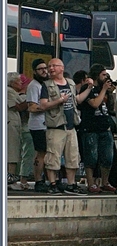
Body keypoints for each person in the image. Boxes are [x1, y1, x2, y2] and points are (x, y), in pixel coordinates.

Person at [39, 58, 86, 194]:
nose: (51, 68)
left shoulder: (70, 83)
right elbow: (43, 105)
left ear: (62, 68)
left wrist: (88, 88)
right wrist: (60, 100)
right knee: (53, 157)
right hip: (56, 126)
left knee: (73, 157)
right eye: (49, 66)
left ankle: (71, 184)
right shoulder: (47, 85)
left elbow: (76, 100)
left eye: (54, 66)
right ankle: (53, 183)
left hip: (71, 127)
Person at [78, 65, 117, 193]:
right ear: (96, 75)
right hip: (90, 128)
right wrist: (104, 90)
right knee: (91, 157)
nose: (106, 77)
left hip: (105, 127)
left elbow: (110, 108)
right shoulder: (88, 88)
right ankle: (91, 183)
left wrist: (109, 92)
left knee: (108, 157)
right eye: (103, 75)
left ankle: (105, 181)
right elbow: (94, 103)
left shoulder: (103, 89)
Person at [24, 60, 51, 192]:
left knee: (47, 153)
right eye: (40, 69)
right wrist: (48, 106)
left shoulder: (46, 84)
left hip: (47, 124)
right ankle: (38, 179)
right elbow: (32, 107)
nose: (44, 71)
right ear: (35, 71)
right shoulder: (34, 86)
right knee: (41, 152)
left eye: (45, 68)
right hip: (38, 125)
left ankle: (48, 179)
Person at [7, 72, 33, 190]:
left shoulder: (14, 93)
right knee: (11, 152)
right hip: (10, 124)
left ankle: (11, 178)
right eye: (18, 81)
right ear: (12, 82)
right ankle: (10, 179)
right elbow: (17, 106)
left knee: (14, 151)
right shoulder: (8, 92)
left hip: (14, 124)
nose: (21, 83)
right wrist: (30, 99)